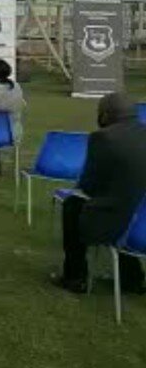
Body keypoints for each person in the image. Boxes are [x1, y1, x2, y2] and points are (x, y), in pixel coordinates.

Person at [52, 93, 146, 295]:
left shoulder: (103, 138)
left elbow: (89, 185)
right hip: (140, 221)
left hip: (119, 217)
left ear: (105, 115)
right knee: (130, 207)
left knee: (73, 205)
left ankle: (75, 277)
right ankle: (132, 278)